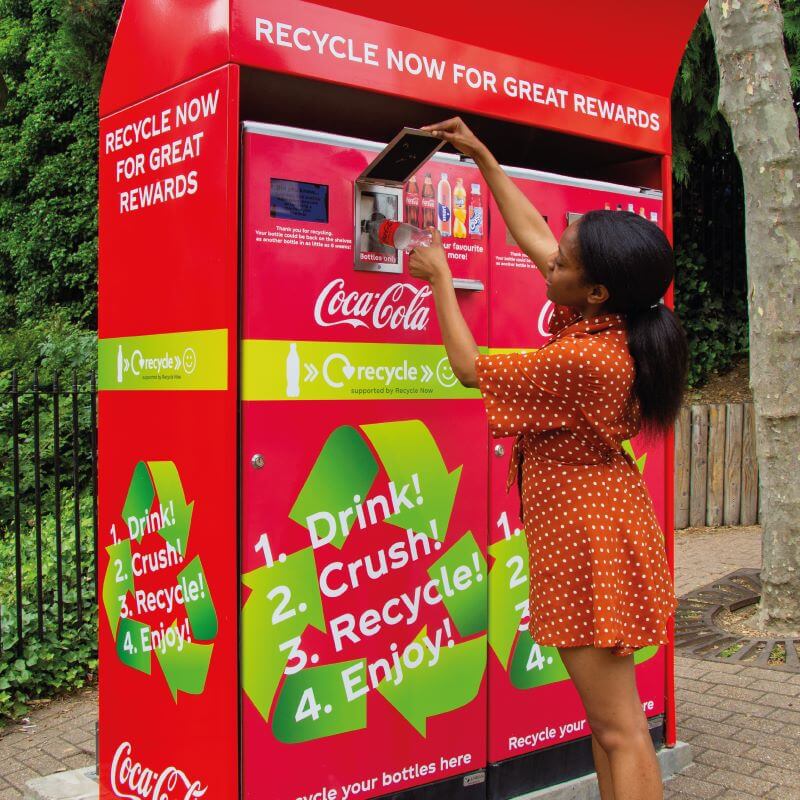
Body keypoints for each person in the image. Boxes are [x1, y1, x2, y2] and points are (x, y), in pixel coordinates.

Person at [408, 117, 688, 800]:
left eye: (564, 265)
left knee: (618, 727)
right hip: (594, 525)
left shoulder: (586, 358)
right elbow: (538, 235)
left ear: (595, 289)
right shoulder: (607, 317)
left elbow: (470, 368)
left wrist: (440, 277)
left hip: (588, 540)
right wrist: (483, 159)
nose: (550, 263)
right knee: (606, 726)